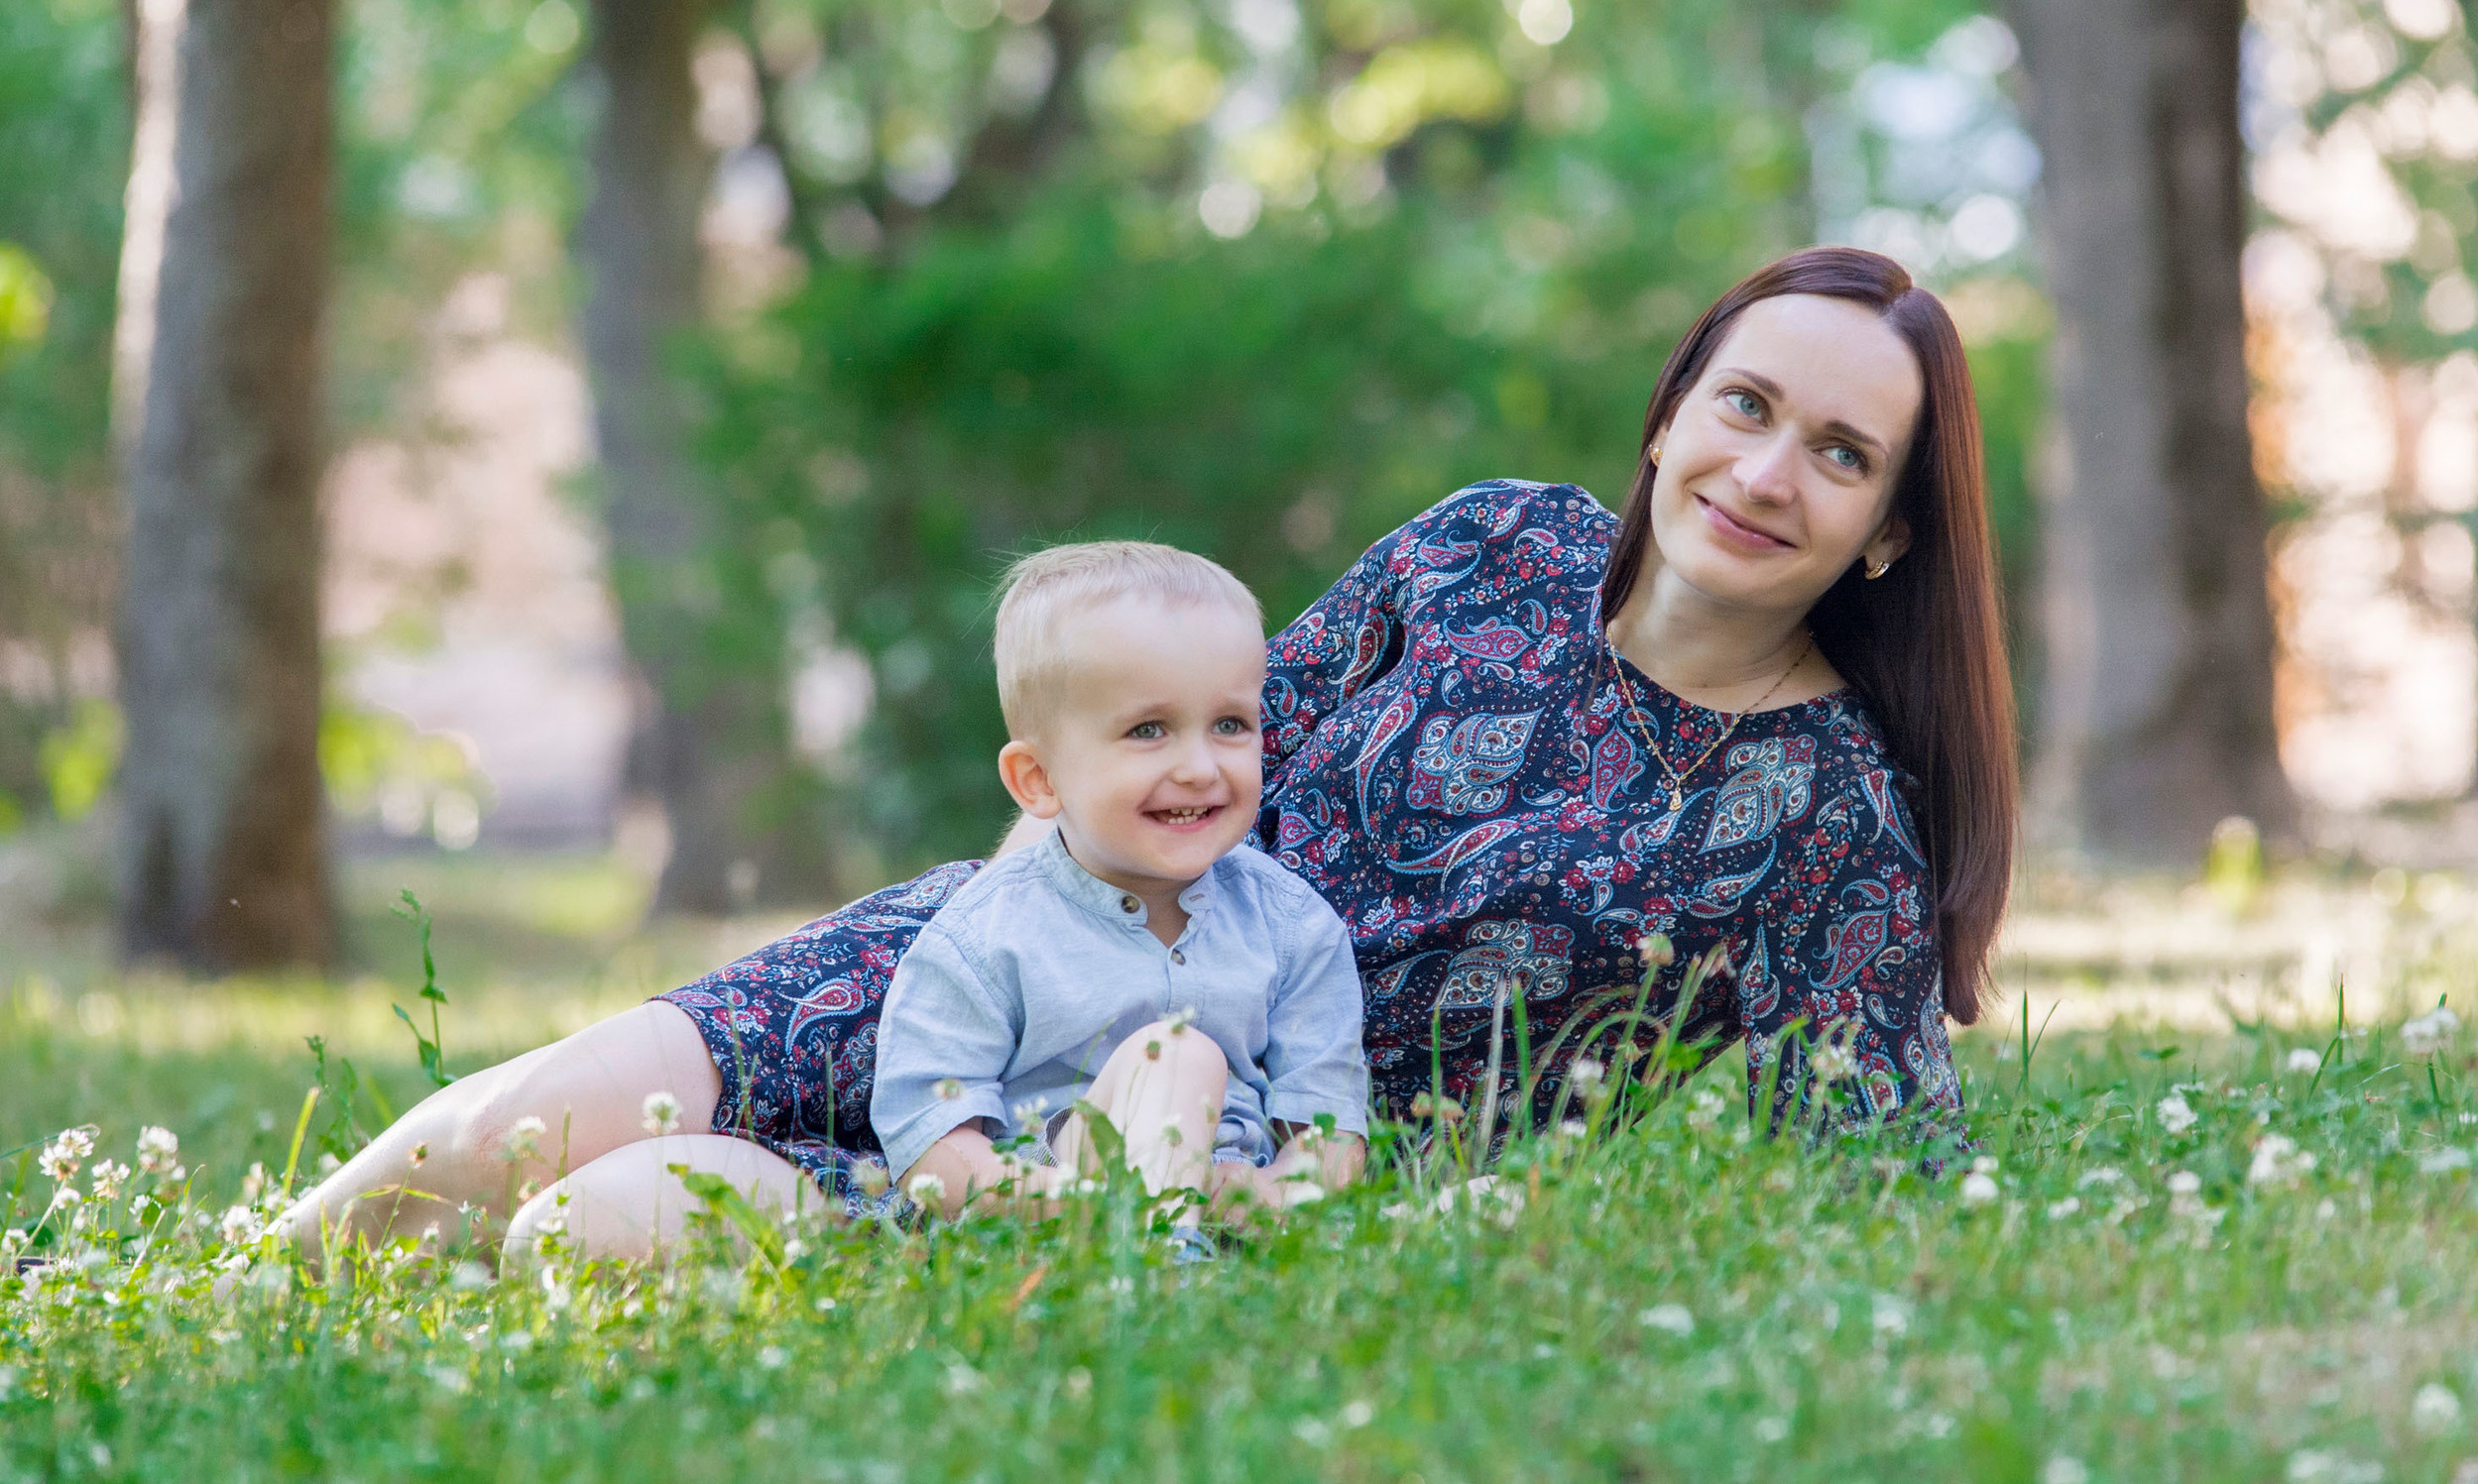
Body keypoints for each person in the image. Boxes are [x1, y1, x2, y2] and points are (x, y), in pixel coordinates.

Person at [281, 244, 2015, 1264]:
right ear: (1672, 409)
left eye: (1840, 452)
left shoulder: (1831, 819)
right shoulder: (1487, 545)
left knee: (598, 1228)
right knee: (505, 1131)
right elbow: (1205, 719)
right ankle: (218, 1281)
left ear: (1887, 531)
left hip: (1218, 1170)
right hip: (996, 956)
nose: (1765, 471)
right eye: (1746, 403)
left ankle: (931, 1257)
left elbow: (1881, 1175)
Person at [873, 541, 1367, 1228]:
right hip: (1058, 1206)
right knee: (1177, 1055)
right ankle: (1157, 1255)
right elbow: (928, 1138)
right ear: (1038, 779)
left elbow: (1329, 1134)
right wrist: (1076, 1204)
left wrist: (1263, 1196)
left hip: (1232, 1204)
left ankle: (1178, 1239)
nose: (1199, 768)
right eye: (1148, 729)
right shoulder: (986, 935)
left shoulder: (1292, 925)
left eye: (1230, 724)